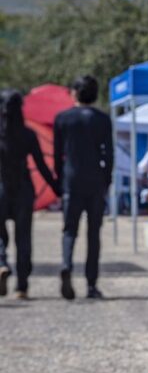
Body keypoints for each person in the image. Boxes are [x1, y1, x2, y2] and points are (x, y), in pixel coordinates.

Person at [54, 75, 113, 301]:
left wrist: (59, 181)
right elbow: (108, 155)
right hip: (95, 180)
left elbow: (58, 156)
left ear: (75, 92)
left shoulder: (63, 119)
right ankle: (91, 283)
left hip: (71, 179)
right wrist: (106, 181)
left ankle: (67, 264)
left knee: (69, 230)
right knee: (93, 234)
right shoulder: (102, 120)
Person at [0, 90, 60, 299]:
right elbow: (42, 166)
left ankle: (1, 263)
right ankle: (22, 286)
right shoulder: (28, 134)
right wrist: (56, 187)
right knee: (23, 238)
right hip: (24, 190)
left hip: (1, 190)